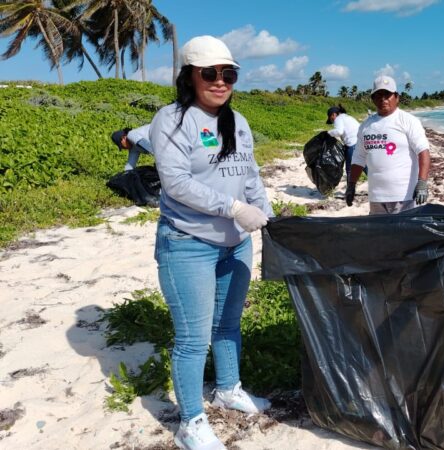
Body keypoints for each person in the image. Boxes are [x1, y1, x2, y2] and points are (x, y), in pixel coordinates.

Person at [149, 35, 272, 450]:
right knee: (192, 338)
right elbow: (177, 183)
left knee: (228, 324)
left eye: (229, 74)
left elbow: (250, 174)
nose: (220, 82)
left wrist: (262, 209)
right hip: (187, 243)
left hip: (235, 245)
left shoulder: (237, 122)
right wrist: (235, 208)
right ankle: (190, 421)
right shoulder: (171, 119)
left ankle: (227, 388)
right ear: (190, 77)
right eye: (210, 74)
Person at [345, 75, 430, 214]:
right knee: (379, 235)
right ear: (372, 99)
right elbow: (358, 159)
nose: (383, 99)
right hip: (376, 197)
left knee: (403, 235)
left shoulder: (408, 121)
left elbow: (423, 152)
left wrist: (422, 183)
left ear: (397, 97)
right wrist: (351, 185)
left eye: (387, 95)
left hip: (404, 196)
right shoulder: (366, 126)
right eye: (378, 95)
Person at [325, 104, 364, 181]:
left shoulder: (338, 119)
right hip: (361, 143)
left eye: (331, 119)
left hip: (353, 144)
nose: (332, 121)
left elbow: (339, 131)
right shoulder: (347, 117)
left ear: (333, 114)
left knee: (350, 169)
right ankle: (377, 186)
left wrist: (328, 133)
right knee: (364, 165)